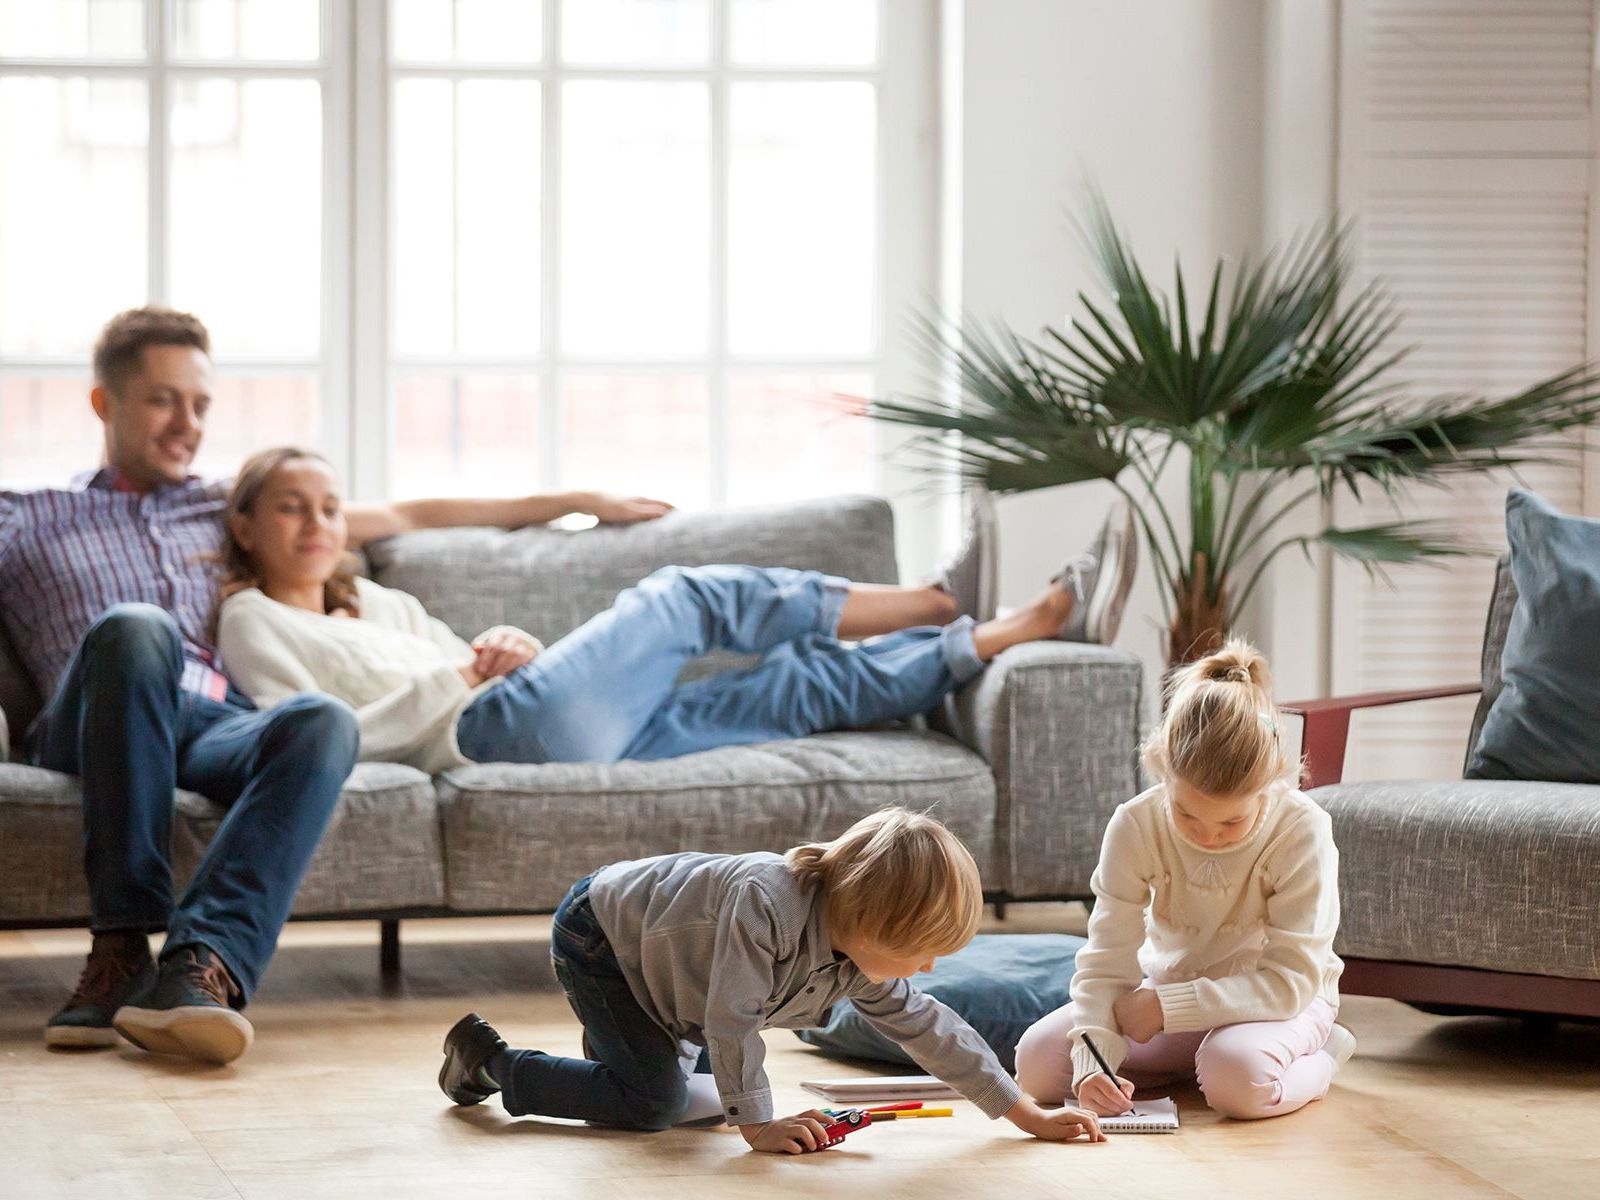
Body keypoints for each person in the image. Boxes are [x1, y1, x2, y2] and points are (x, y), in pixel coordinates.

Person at [0, 307, 672, 1063]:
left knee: (318, 718)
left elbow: (409, 514)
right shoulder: (27, 517)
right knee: (138, 627)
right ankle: (120, 946)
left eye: (200, 404)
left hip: (206, 720)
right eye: (163, 400)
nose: (186, 422)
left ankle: (199, 968)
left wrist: (577, 501)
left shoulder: (221, 506)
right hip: (91, 719)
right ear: (105, 403)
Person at [212, 447, 1138, 772]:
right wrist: (464, 676)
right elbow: (307, 735)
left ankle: (1004, 630)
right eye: (291, 507)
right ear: (246, 526)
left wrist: (503, 644)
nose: (317, 523)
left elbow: (473, 654)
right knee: (685, 596)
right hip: (488, 732)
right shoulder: (252, 621)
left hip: (538, 713)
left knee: (791, 689)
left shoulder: (375, 599)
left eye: (329, 506)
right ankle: (936, 599)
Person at [435, 808, 1108, 1151]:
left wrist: (1027, 1115)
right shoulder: (767, 902)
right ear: (870, 926)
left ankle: (621, 1062)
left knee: (690, 1105)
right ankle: (490, 1062)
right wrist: (757, 1125)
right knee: (656, 1106)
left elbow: (934, 1030)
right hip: (604, 939)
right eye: (920, 952)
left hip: (673, 975)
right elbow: (732, 1020)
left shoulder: (861, 959)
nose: (928, 970)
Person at [1012, 640, 1355, 1121]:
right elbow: (1107, 960)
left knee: (1238, 1082)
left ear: (1272, 782)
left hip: (1280, 1004)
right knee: (1037, 1068)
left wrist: (1166, 1008)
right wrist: (1095, 1063)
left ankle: (1319, 1058)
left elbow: (1289, 982)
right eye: (1187, 815)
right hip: (1169, 994)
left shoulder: (1302, 830)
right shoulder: (1135, 823)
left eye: (1231, 823)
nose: (1208, 836)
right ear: (1162, 769)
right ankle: (1190, 1063)